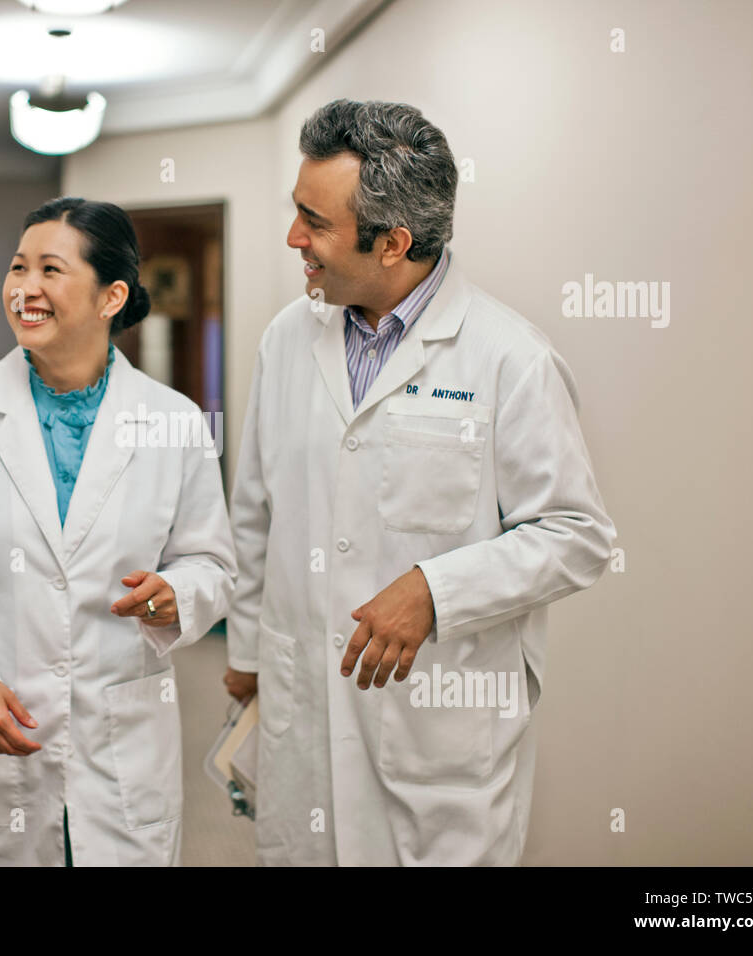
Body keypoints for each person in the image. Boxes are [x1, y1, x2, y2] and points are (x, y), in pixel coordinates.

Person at [224, 99, 617, 865]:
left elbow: (577, 536)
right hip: (303, 709)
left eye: (315, 221)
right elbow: (255, 512)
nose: (293, 238)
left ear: (393, 242)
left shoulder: (509, 359)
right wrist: (245, 653)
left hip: (437, 732)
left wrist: (436, 590)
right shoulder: (286, 338)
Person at [0, 197, 236, 866]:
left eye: (50, 269)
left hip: (118, 731)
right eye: (17, 267)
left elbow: (212, 560)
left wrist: (178, 593)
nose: (24, 288)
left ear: (110, 295)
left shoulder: (175, 421)